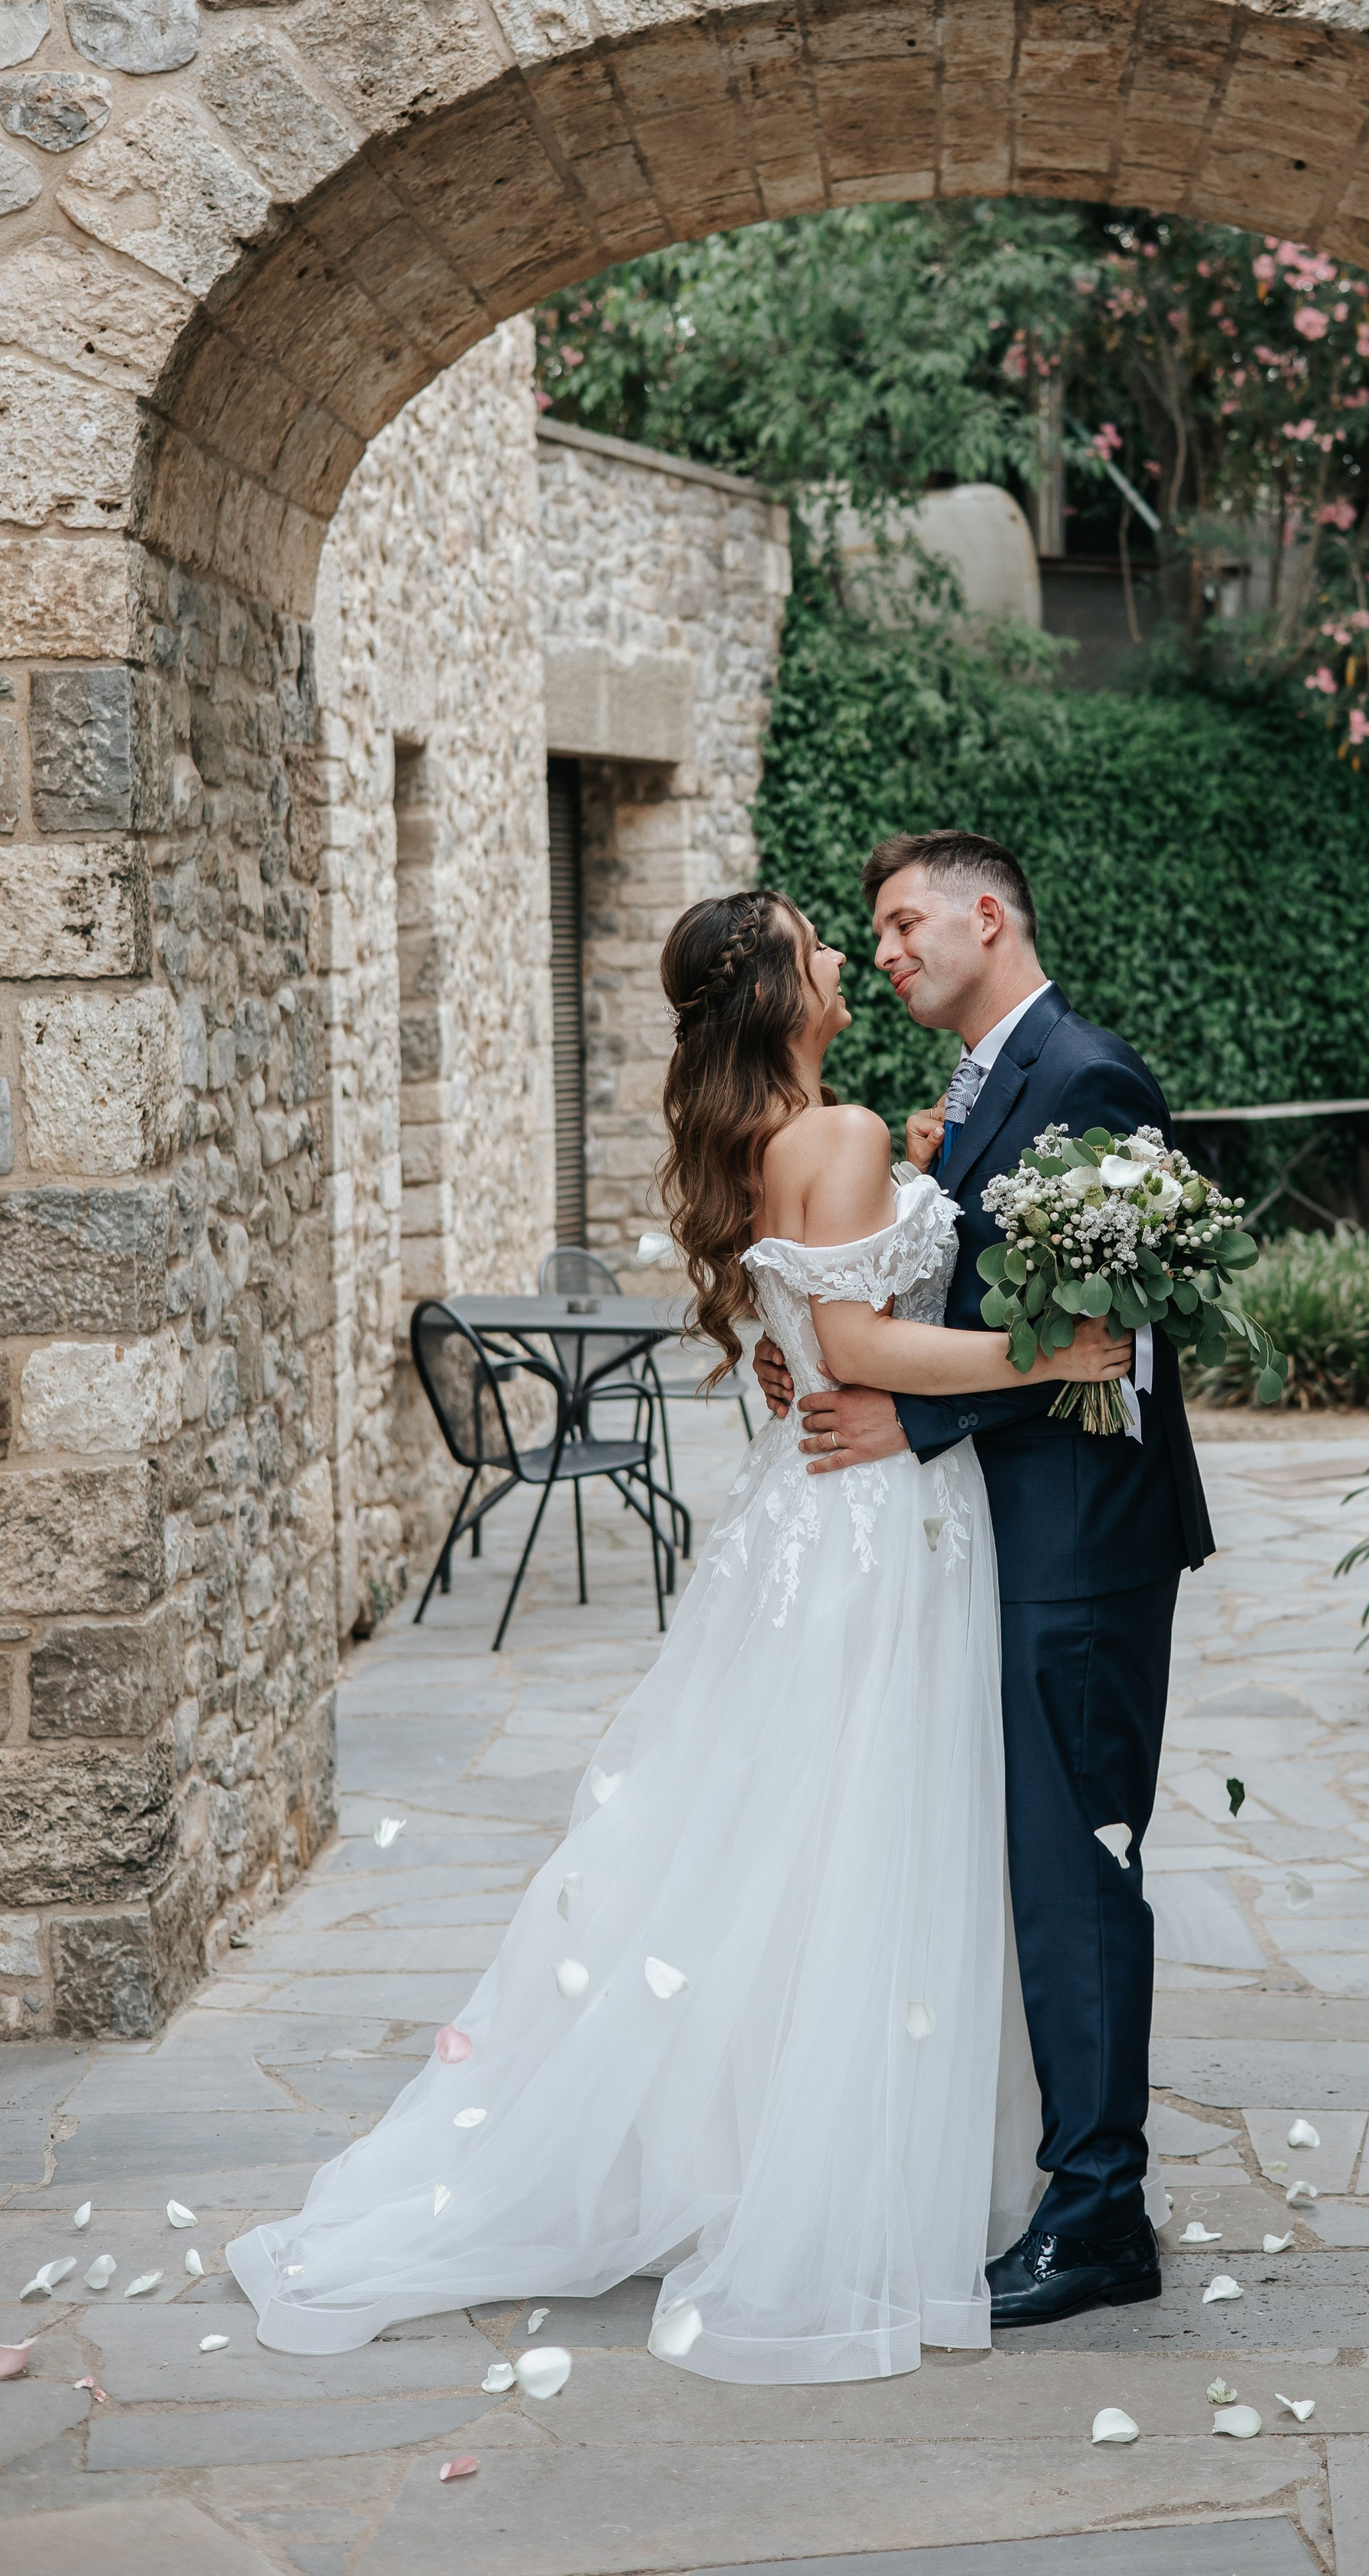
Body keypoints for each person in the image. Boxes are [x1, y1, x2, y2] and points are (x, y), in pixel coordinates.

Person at [228, 890, 1129, 2383]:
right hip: (872, 1521)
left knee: (783, 1841)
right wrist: (1054, 1347)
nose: (848, 956)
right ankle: (821, 2178)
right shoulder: (825, 1138)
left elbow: (807, 1328)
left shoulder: (788, 1143)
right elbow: (847, 1349)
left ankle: (746, 2144)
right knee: (862, 1840)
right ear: (779, 988)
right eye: (819, 941)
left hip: (811, 1517)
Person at [754, 830, 1215, 2329]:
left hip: (1082, 1540)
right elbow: (972, 1298)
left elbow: (1115, 1342)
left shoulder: (1081, 1076)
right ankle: (1074, 2184)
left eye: (903, 925)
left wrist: (917, 1404)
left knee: (1078, 1877)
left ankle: (1097, 2220)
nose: (882, 953)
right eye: (871, 934)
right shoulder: (977, 1089)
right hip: (1007, 1533)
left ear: (987, 915)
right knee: (1039, 1872)